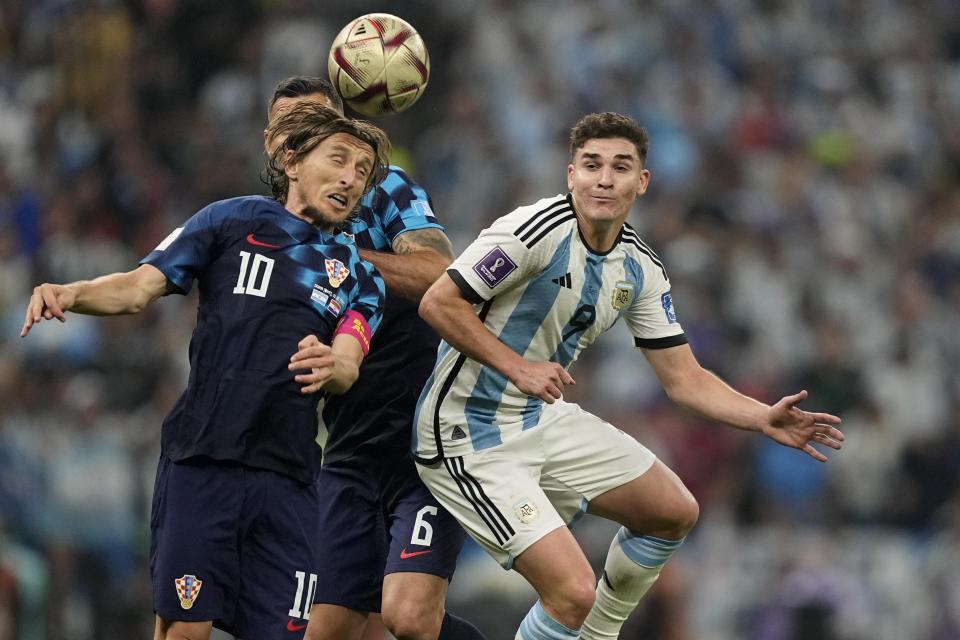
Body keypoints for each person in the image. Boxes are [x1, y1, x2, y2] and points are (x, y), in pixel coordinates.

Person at [414, 111, 845, 640]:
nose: (604, 178)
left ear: (642, 182)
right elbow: (439, 302)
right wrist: (517, 366)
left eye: (620, 167)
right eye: (591, 165)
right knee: (572, 592)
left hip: (536, 418)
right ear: (570, 174)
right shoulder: (531, 231)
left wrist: (762, 418)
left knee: (672, 511)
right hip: (466, 432)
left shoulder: (639, 267)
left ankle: (599, 636)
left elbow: (683, 377)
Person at [21, 104, 390, 640]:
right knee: (185, 632)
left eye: (362, 171)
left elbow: (349, 360)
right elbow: (137, 288)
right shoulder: (230, 220)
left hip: (288, 483)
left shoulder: (361, 276)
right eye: (338, 160)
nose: (350, 178)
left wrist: (335, 364)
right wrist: (71, 292)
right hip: (202, 461)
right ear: (292, 161)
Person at [267, 77, 487, 640]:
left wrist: (340, 254)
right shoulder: (264, 229)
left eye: (314, 124)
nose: (300, 137)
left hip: (425, 438)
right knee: (332, 630)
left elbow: (439, 274)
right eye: (288, 129)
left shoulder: (384, 189)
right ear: (275, 147)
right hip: (347, 449)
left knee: (408, 618)